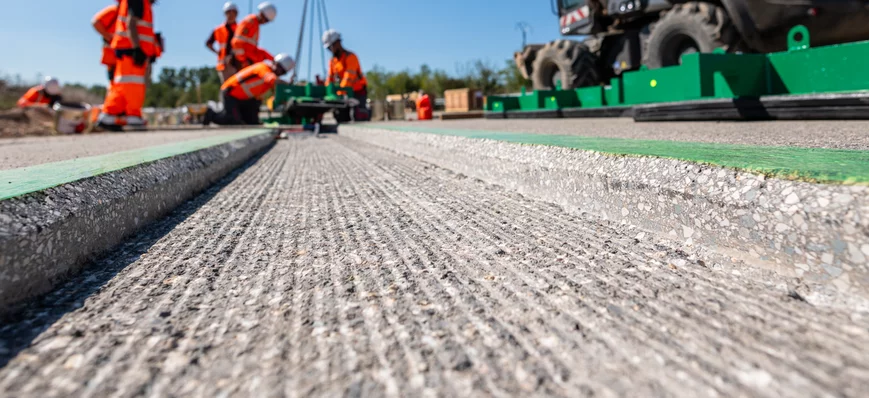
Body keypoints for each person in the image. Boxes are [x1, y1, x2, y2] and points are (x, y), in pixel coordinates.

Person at [97, 0, 160, 130]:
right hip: (132, 50)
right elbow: (131, 23)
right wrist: (137, 48)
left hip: (126, 50)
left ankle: (109, 115)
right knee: (133, 85)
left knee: (121, 86)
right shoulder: (139, 1)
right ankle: (133, 115)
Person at [204, 54, 295, 126]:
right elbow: (272, 80)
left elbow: (271, 93)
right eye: (279, 67)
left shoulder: (271, 81)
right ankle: (211, 112)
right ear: (274, 62)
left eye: (282, 72)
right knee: (232, 120)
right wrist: (288, 84)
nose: (279, 72)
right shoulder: (262, 67)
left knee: (251, 123)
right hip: (230, 93)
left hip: (244, 100)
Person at [322, 29, 370, 122]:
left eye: (331, 47)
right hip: (343, 92)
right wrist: (327, 92)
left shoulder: (351, 57)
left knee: (357, 115)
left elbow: (348, 78)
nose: (330, 50)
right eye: (328, 48)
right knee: (341, 116)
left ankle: (364, 112)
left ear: (338, 43)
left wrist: (339, 93)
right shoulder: (332, 61)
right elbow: (330, 79)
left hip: (358, 91)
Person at [231, 2, 276, 70]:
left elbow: (252, 46)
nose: (265, 23)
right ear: (262, 14)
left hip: (248, 57)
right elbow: (237, 42)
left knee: (263, 55)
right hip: (242, 60)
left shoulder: (255, 24)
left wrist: (273, 59)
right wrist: (244, 61)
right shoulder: (250, 22)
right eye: (266, 20)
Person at [207, 2, 239, 83]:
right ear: (225, 14)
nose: (231, 14)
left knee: (238, 87)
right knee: (227, 87)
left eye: (233, 12)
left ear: (236, 14)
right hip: (224, 65)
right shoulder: (218, 29)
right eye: (229, 12)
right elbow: (208, 43)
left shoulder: (240, 29)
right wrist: (218, 52)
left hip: (238, 64)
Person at [92, 2, 120, 87]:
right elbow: (95, 22)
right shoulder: (115, 10)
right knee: (115, 84)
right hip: (113, 56)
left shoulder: (130, 13)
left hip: (126, 57)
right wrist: (109, 37)